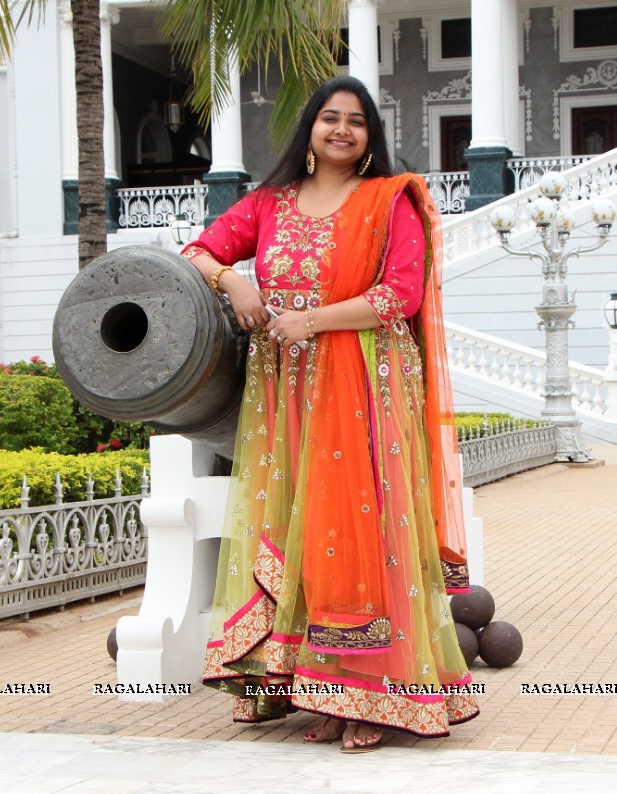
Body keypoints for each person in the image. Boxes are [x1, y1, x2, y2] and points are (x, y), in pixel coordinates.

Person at [182, 76, 477, 753]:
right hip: (286, 389)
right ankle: (310, 683)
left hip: (364, 383)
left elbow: (400, 296)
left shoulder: (388, 200)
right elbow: (199, 252)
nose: (342, 130)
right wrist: (235, 280)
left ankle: (374, 694)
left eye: (356, 122)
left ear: (370, 136)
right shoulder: (268, 204)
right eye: (329, 118)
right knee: (297, 526)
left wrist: (309, 321)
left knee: (360, 532)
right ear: (309, 130)